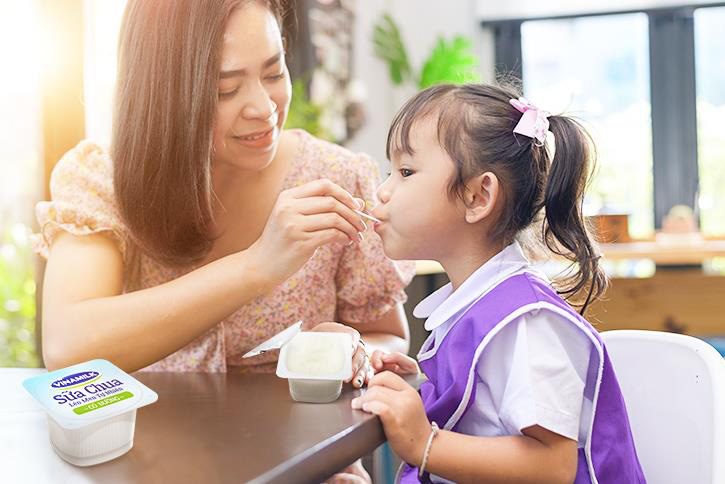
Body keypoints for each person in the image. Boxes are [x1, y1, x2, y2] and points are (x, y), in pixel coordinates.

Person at [34, 0, 414, 402]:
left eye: (274, 72)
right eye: (225, 90)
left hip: (304, 443)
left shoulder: (336, 178)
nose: (264, 108)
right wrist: (256, 266)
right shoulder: (101, 180)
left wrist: (354, 353)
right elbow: (67, 346)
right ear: (161, 93)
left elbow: (386, 335)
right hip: (147, 442)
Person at [355, 83, 646, 483]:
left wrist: (424, 442)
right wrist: (425, 387)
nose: (383, 191)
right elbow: (489, 416)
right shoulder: (478, 302)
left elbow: (553, 466)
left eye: (405, 172)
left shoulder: (524, 322)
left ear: (478, 197)